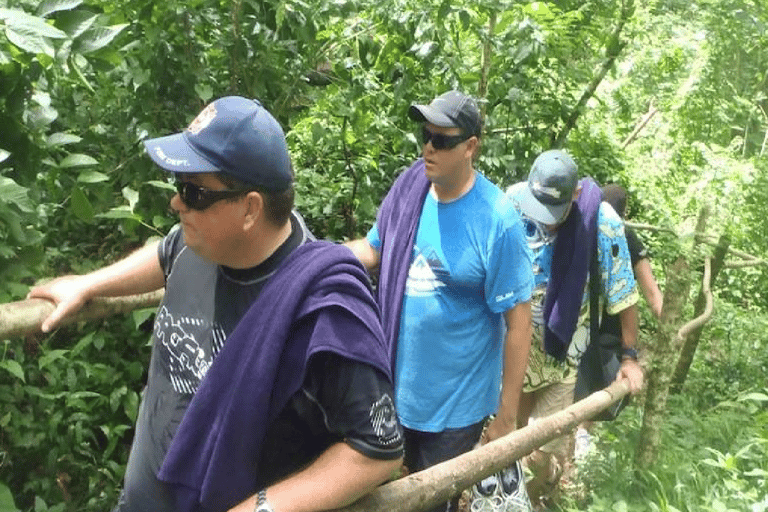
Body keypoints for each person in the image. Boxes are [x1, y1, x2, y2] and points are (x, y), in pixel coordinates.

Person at [27, 96, 404, 512]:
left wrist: (261, 508)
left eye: (193, 191)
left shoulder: (322, 308)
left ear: (250, 209)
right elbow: (162, 255)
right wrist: (87, 284)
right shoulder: (198, 244)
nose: (177, 202)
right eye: (177, 185)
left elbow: (377, 448)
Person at [345, 90, 534, 512]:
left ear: (470, 147)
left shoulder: (497, 220)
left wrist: (507, 417)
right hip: (395, 386)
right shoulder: (410, 190)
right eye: (425, 135)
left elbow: (520, 323)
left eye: (442, 140)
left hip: (455, 406)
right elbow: (376, 248)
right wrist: (315, 261)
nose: (429, 147)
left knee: (432, 503)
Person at [505, 150, 644, 508]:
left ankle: (545, 481)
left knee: (538, 452)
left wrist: (630, 357)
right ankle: (521, 499)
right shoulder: (509, 203)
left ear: (576, 196)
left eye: (555, 214)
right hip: (514, 350)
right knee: (508, 441)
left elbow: (625, 295)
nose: (547, 223)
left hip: (563, 358)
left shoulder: (603, 223)